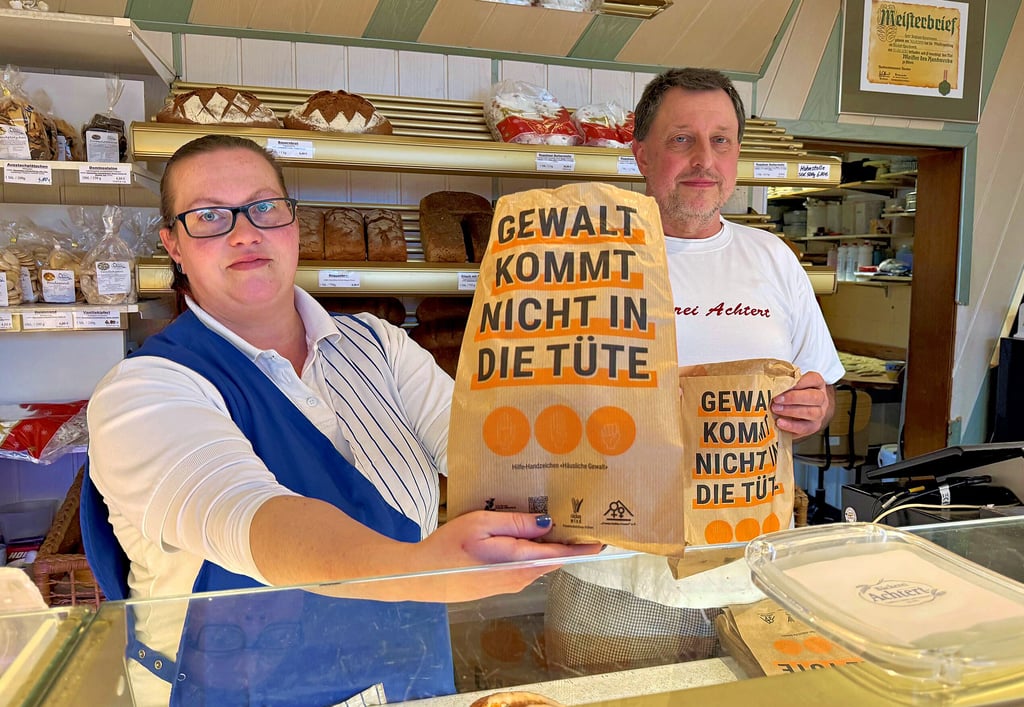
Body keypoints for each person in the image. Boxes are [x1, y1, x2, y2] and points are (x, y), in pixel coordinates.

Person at [81, 133, 600, 705]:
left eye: (264, 207)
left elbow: (485, 452)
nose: (246, 231)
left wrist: (601, 475)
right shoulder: (142, 391)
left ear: (294, 223)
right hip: (237, 689)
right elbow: (252, 519)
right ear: (173, 245)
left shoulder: (379, 345)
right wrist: (419, 572)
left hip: (407, 675)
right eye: (208, 216)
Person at [545, 67, 845, 673]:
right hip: (615, 580)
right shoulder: (582, 259)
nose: (705, 159)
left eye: (722, 140)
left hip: (748, 575)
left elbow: (817, 386)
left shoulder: (772, 258)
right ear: (641, 154)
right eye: (682, 139)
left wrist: (815, 407)